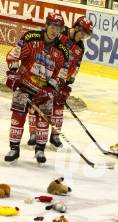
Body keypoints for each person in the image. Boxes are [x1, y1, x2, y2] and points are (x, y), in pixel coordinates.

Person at [4, 13, 68, 164]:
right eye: (52, 25)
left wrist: (51, 90)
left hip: (43, 91)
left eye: (58, 27)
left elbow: (61, 75)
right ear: (46, 25)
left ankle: (40, 150)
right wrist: (13, 73)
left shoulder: (62, 51)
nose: (54, 30)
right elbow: (14, 55)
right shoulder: (30, 37)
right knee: (17, 117)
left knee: (44, 121)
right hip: (24, 86)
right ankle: (14, 148)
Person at [27, 16, 94, 149]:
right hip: (45, 76)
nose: (82, 37)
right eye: (82, 33)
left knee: (58, 108)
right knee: (37, 104)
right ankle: (33, 134)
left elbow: (76, 66)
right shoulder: (59, 34)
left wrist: (68, 82)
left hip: (61, 81)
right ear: (76, 28)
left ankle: (55, 135)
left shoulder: (80, 46)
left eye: (86, 35)